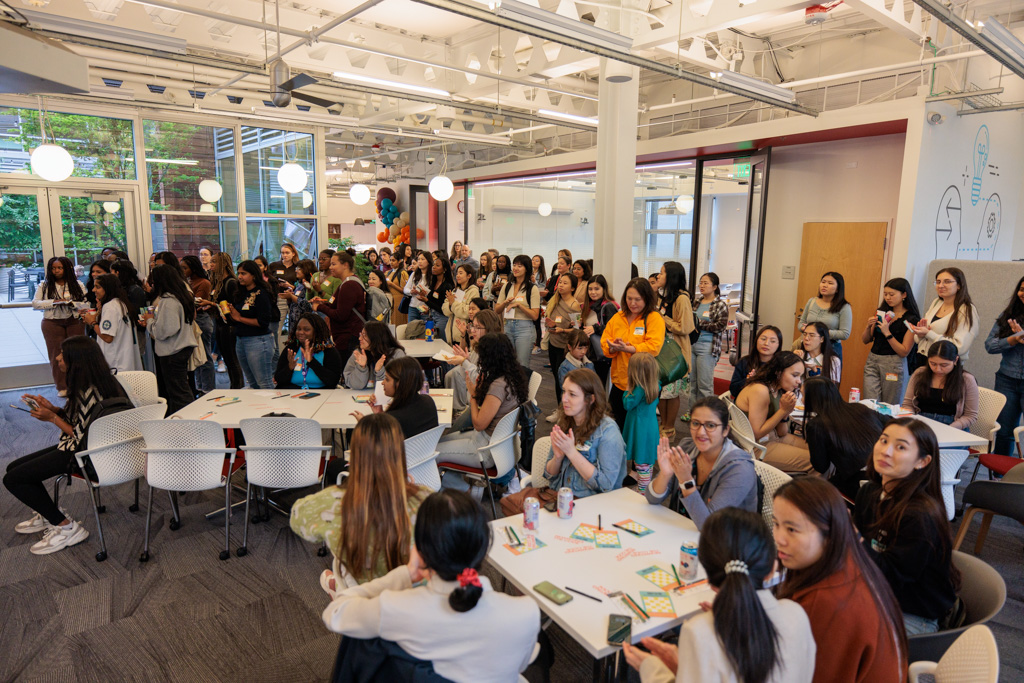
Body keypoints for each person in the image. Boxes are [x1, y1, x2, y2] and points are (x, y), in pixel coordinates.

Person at [323, 489, 541, 682]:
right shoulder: (526, 612)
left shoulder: (399, 608)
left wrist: (405, 574)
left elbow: (335, 613)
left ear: (421, 551)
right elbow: (519, 666)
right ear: (483, 548)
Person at [623, 507, 815, 683]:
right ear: (772, 569)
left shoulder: (700, 631)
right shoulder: (796, 615)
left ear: (709, 579)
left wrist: (653, 670)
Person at [772, 478, 908, 683]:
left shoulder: (827, 603)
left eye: (792, 529)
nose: (779, 538)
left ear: (828, 534)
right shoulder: (846, 560)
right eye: (776, 524)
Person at [5, 337, 130, 554]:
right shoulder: (103, 383)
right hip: (97, 450)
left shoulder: (88, 391)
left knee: (13, 478)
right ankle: (47, 512)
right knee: (13, 468)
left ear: (76, 361)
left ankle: (66, 527)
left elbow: (80, 435)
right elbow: (84, 423)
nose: (58, 357)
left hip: (86, 456)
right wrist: (53, 409)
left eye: (62, 354)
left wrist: (52, 418)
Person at [291, 413, 431, 588]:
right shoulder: (427, 498)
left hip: (361, 596)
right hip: (412, 598)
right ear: (399, 453)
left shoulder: (333, 503)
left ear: (355, 455)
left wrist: (340, 490)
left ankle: (337, 589)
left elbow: (297, 520)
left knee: (336, 564)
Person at [854, 418, 961, 634]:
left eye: (900, 447)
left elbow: (889, 575)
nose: (886, 451)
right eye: (883, 441)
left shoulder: (921, 515)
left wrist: (851, 535)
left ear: (922, 461)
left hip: (914, 613)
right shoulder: (870, 493)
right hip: (876, 593)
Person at [502, 368, 625, 514]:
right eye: (564, 391)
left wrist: (572, 453)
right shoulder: (566, 421)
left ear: (590, 400)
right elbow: (549, 475)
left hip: (591, 506)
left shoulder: (608, 432)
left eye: (572, 394)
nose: (564, 399)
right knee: (509, 504)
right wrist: (558, 458)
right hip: (559, 498)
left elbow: (606, 485)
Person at [645, 396, 757, 530]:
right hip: (685, 533)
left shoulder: (740, 470)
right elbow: (652, 498)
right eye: (696, 423)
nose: (701, 432)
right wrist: (665, 474)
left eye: (710, 425)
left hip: (727, 544)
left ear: (726, 430)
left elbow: (708, 525)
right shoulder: (687, 447)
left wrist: (686, 481)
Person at [437, 333, 529, 486]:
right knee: (441, 442)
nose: (479, 360)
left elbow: (479, 424)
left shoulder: (499, 386)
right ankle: (461, 487)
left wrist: (473, 395)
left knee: (433, 454)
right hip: (498, 445)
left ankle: (463, 490)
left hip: (485, 449)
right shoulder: (513, 376)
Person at [801, 377, 883, 499]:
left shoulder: (817, 425)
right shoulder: (859, 408)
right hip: (884, 474)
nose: (801, 399)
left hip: (861, 483)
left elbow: (821, 466)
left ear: (812, 399)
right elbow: (890, 421)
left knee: (815, 496)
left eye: (802, 395)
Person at [602, 277, 666, 430]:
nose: (632, 303)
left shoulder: (654, 318)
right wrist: (613, 347)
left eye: (638, 299)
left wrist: (629, 348)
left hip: (643, 382)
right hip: (620, 380)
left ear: (647, 298)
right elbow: (605, 341)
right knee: (615, 424)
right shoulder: (619, 317)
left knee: (637, 429)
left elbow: (654, 347)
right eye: (629, 298)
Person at [735, 352, 812, 474]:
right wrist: (783, 411)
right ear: (778, 372)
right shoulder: (760, 390)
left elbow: (782, 432)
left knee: (819, 452)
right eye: (795, 375)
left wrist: (785, 413)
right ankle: (807, 492)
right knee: (816, 461)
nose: (799, 382)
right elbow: (757, 433)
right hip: (755, 446)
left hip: (772, 436)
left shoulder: (779, 389)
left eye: (800, 377)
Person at [142, 265, 197, 414]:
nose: (152, 284)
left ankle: (186, 423)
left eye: (153, 281)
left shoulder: (169, 300)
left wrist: (150, 321)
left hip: (173, 350)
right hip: (180, 347)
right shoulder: (181, 295)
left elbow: (166, 330)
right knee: (179, 389)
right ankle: (182, 420)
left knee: (178, 391)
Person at [861, 277, 921, 404]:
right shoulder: (882, 313)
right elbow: (865, 340)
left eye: (892, 294)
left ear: (904, 294)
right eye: (885, 294)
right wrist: (868, 326)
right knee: (870, 403)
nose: (888, 298)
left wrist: (887, 333)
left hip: (894, 363)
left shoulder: (911, 319)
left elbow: (904, 351)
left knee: (890, 405)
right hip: (873, 360)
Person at [33, 256, 86, 395]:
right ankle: (62, 387)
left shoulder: (77, 284)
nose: (56, 271)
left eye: (59, 268)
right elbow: (35, 303)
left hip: (74, 320)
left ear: (66, 269)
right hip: (52, 322)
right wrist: (55, 302)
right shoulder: (44, 285)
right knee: (56, 354)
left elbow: (86, 303)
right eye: (53, 268)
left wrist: (72, 303)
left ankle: (79, 385)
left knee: (77, 353)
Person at [985, 275, 1024, 454]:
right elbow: (990, 346)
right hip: (1006, 380)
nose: (1023, 293)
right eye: (1022, 289)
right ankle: (1002, 477)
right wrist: (1012, 340)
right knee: (1005, 431)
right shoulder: (1008, 316)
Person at [901, 340, 979, 430]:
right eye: (933, 364)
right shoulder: (920, 373)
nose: (938, 369)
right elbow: (907, 404)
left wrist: (950, 428)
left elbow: (971, 416)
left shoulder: (966, 379)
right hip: (921, 422)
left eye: (944, 365)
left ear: (955, 360)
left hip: (953, 425)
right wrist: (911, 420)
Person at [656, 262, 694, 438]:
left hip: (676, 353)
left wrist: (663, 319)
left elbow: (685, 327)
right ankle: (663, 426)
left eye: (662, 273)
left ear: (670, 277)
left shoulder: (682, 298)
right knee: (663, 392)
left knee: (672, 393)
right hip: (663, 351)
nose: (658, 276)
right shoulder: (664, 296)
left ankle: (669, 428)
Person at [909, 267, 979, 360]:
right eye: (938, 282)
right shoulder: (937, 302)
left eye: (947, 282)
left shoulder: (966, 310)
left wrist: (928, 333)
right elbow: (921, 340)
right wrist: (920, 334)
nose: (941, 286)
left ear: (959, 285)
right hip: (924, 358)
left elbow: (960, 347)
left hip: (945, 364)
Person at [227, 260, 275, 390]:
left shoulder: (261, 293)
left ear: (254, 275)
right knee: (252, 383)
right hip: (241, 340)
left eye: (244, 273)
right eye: (239, 273)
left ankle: (272, 409)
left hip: (258, 341)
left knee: (264, 383)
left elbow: (262, 322)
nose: (240, 276)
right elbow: (237, 317)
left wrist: (239, 317)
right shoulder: (241, 292)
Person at [312, 251, 366, 367]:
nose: (330, 267)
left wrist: (320, 307)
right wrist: (323, 303)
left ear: (345, 265)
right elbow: (337, 305)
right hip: (345, 336)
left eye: (333, 264)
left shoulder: (349, 285)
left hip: (349, 337)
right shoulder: (346, 283)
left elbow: (340, 315)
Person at [81, 273, 142, 374]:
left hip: (116, 364)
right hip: (125, 360)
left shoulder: (110, 307)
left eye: (98, 287)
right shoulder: (120, 303)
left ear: (108, 288)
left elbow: (107, 337)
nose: (93, 290)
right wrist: (98, 313)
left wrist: (92, 322)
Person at [446, 308, 503, 414]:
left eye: (478, 327)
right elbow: (467, 378)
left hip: (487, 407)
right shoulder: (480, 346)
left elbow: (480, 380)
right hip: (476, 403)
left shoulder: (494, 350)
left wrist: (464, 362)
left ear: (489, 329)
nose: (472, 330)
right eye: (473, 326)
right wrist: (465, 361)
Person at [273, 312, 342, 390]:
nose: (301, 332)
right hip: (292, 394)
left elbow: (333, 381)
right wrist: (290, 367)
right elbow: (278, 379)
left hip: (321, 395)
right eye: (298, 329)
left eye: (306, 329)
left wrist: (312, 362)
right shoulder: (291, 349)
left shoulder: (329, 351)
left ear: (316, 331)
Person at [205, 253, 244, 389]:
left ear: (223, 264)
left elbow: (234, 307)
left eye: (214, 262)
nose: (211, 265)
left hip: (230, 326)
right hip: (221, 325)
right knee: (227, 359)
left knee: (232, 359)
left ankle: (237, 387)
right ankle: (234, 386)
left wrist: (212, 305)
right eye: (211, 262)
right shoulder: (217, 282)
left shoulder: (231, 283)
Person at [623, 352, 660, 493]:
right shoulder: (655, 385)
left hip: (639, 429)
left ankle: (643, 492)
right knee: (647, 461)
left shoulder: (638, 390)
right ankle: (644, 486)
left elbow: (627, 404)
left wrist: (627, 389)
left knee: (641, 462)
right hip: (650, 427)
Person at [544, 271, 581, 409]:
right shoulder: (555, 300)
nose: (561, 285)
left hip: (565, 346)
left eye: (565, 283)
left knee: (563, 379)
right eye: (560, 282)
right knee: (555, 375)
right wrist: (552, 324)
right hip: (553, 342)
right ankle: (560, 408)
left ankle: (565, 408)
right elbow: (553, 321)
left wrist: (562, 330)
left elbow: (577, 330)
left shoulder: (574, 305)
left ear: (572, 288)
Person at [495, 255, 541, 367]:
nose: (516, 268)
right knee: (507, 364)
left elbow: (535, 316)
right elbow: (497, 309)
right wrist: (505, 303)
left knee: (522, 365)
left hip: (524, 328)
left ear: (527, 269)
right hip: (507, 326)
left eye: (520, 266)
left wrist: (519, 306)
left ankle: (523, 385)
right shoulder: (506, 286)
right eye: (514, 265)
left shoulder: (532, 288)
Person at [691, 272, 730, 404]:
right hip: (692, 345)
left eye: (705, 283)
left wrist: (699, 324)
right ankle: (692, 410)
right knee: (692, 382)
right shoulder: (696, 302)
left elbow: (720, 326)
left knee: (704, 384)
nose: (701, 285)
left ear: (714, 287)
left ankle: (706, 414)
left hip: (708, 347)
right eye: (701, 282)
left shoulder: (720, 305)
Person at [798, 271, 853, 361]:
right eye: (823, 282)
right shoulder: (811, 301)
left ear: (838, 289)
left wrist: (822, 333)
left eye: (830, 283)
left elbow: (845, 333)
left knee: (828, 374)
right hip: (809, 346)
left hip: (831, 348)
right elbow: (801, 323)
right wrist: (805, 329)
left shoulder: (844, 307)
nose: (825, 285)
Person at [181, 255, 216, 394]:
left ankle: (209, 389)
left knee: (205, 356)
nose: (182, 271)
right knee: (197, 356)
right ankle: (200, 387)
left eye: (185, 268)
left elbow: (196, 303)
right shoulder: (188, 282)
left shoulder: (203, 283)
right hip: (192, 320)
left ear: (193, 268)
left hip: (201, 320)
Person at [343, 321, 406, 389]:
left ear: (376, 338)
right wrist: (361, 368)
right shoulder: (359, 354)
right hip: (363, 397)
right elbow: (355, 385)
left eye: (364, 335)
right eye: (360, 334)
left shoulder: (396, 355)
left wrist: (380, 371)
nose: (359, 338)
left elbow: (396, 386)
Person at [582, 274, 619, 387]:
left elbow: (614, 329)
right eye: (590, 289)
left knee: (597, 387)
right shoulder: (588, 306)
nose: (593, 292)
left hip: (600, 354)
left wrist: (595, 328)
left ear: (604, 289)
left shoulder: (608, 306)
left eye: (597, 289)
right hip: (588, 351)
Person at [730, 325, 783, 399]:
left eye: (772, 341)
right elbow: (733, 391)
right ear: (756, 340)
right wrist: (749, 380)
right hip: (745, 405)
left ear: (778, 345)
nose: (766, 343)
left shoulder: (781, 365)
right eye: (763, 339)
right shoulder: (745, 361)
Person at [443, 263, 480, 345]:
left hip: (464, 334)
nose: (457, 276)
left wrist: (453, 303)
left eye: (460, 273)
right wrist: (450, 305)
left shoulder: (473, 291)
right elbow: (445, 310)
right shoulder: (455, 290)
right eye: (457, 273)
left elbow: (468, 312)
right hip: (451, 334)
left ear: (469, 276)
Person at [422, 251, 455, 342]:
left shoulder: (447, 286)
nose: (434, 267)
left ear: (444, 269)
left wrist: (426, 300)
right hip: (432, 316)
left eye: (437, 265)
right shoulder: (434, 282)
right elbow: (433, 301)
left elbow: (442, 308)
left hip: (442, 318)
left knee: (441, 343)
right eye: (433, 265)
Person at [403, 251, 431, 325]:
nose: (420, 262)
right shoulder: (415, 274)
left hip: (425, 307)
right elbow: (405, 289)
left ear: (428, 261)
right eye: (419, 259)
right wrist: (411, 291)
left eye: (422, 259)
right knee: (411, 330)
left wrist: (423, 291)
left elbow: (433, 293)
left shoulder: (432, 276)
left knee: (425, 330)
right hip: (413, 306)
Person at [385, 249, 409, 326]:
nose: (391, 262)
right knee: (391, 322)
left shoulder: (402, 273)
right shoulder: (389, 272)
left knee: (399, 323)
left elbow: (405, 290)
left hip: (399, 301)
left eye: (393, 260)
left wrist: (392, 284)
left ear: (399, 261)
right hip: (391, 300)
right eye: (390, 260)